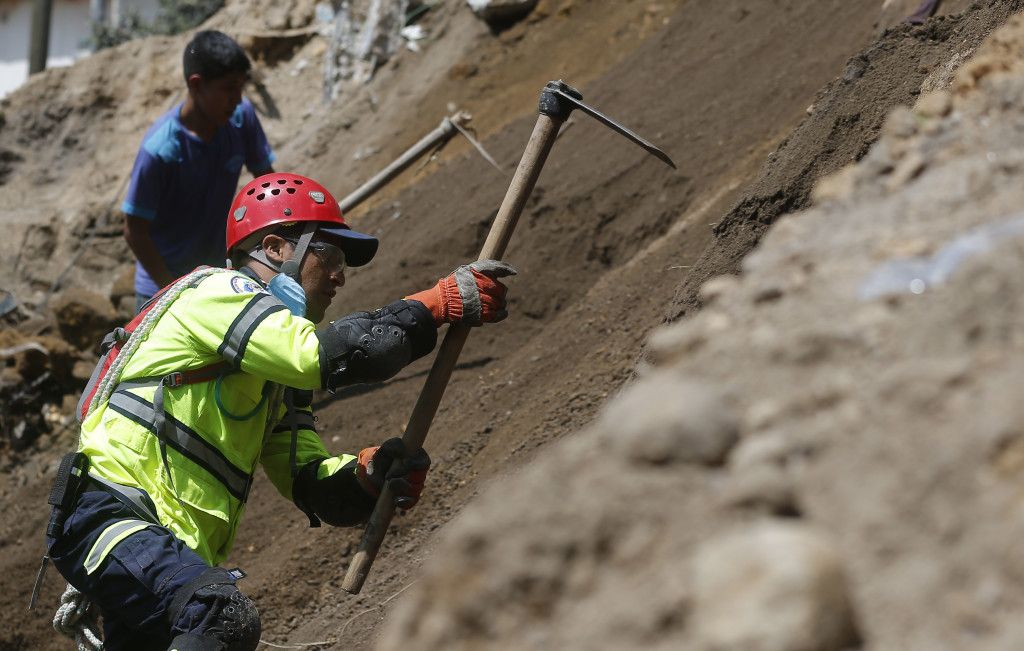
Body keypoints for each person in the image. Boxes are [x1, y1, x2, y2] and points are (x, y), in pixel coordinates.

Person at [44, 173, 515, 651]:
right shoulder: (215, 292)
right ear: (274, 248)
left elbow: (306, 478)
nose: (340, 276)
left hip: (164, 544)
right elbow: (323, 356)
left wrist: (368, 475)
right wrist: (434, 305)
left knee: (204, 624)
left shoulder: (272, 373)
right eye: (329, 254)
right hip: (111, 514)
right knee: (219, 618)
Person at [122, 30, 276, 312]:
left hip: (216, 278)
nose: (238, 98)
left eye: (241, 87)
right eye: (229, 88)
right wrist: (171, 289)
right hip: (161, 291)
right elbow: (135, 232)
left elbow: (267, 184)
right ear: (196, 84)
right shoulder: (160, 151)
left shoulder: (240, 119)